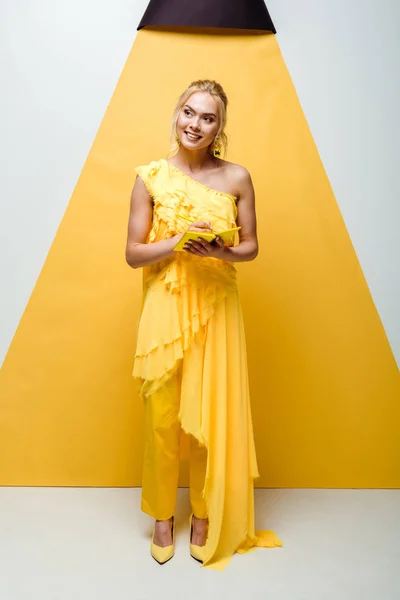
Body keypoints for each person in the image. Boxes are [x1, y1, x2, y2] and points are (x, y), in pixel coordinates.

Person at [125, 79, 281, 570]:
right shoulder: (150, 177)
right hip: (165, 304)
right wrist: (174, 242)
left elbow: (251, 245)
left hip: (217, 301)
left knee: (208, 415)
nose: (195, 124)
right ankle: (162, 517)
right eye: (189, 113)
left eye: (207, 117)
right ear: (177, 115)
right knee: (161, 418)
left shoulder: (237, 177)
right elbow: (132, 254)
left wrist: (218, 249)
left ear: (219, 128)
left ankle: (202, 514)